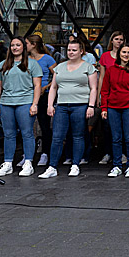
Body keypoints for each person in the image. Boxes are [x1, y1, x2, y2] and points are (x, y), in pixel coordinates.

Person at [39, 38, 98, 179]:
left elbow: (94, 88)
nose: (71, 52)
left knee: (78, 136)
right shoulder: (60, 67)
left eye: (74, 50)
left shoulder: (89, 67)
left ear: (81, 51)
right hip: (62, 105)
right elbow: (53, 87)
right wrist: (50, 104)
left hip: (80, 105)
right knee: (57, 136)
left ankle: (75, 164)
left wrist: (91, 106)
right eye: (69, 50)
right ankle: (52, 167)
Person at [0, 37, 44, 176]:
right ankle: (8, 163)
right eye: (13, 45)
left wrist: (35, 104)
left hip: (25, 102)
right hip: (6, 103)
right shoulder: (3, 64)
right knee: (8, 134)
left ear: (23, 47)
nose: (15, 47)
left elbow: (38, 85)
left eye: (18, 45)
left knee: (27, 134)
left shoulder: (32, 64)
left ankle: (28, 163)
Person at [100, 44, 129, 178]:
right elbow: (105, 90)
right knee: (116, 138)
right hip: (113, 107)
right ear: (119, 54)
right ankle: (117, 166)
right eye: (124, 52)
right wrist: (104, 107)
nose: (126, 55)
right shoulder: (111, 70)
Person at [26, 34, 56, 165]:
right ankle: (27, 154)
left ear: (33, 45)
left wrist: (47, 87)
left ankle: (45, 153)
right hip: (28, 93)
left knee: (44, 125)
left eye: (26, 43)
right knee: (27, 126)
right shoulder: (25, 59)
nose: (24, 46)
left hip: (43, 93)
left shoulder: (47, 59)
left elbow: (57, 75)